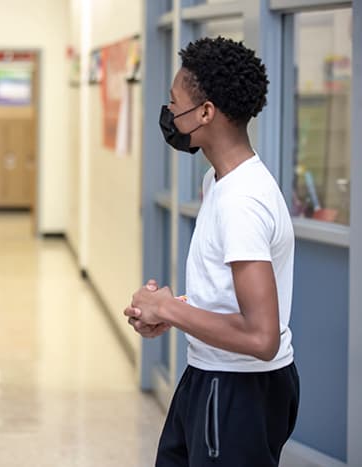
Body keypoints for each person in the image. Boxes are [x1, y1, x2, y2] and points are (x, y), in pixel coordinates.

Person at [125, 37, 299, 467]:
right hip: (210, 372)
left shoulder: (243, 200)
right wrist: (173, 309)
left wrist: (168, 309)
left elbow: (261, 337)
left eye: (174, 102)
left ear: (205, 112)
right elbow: (227, 295)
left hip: (238, 387)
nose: (168, 113)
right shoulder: (217, 182)